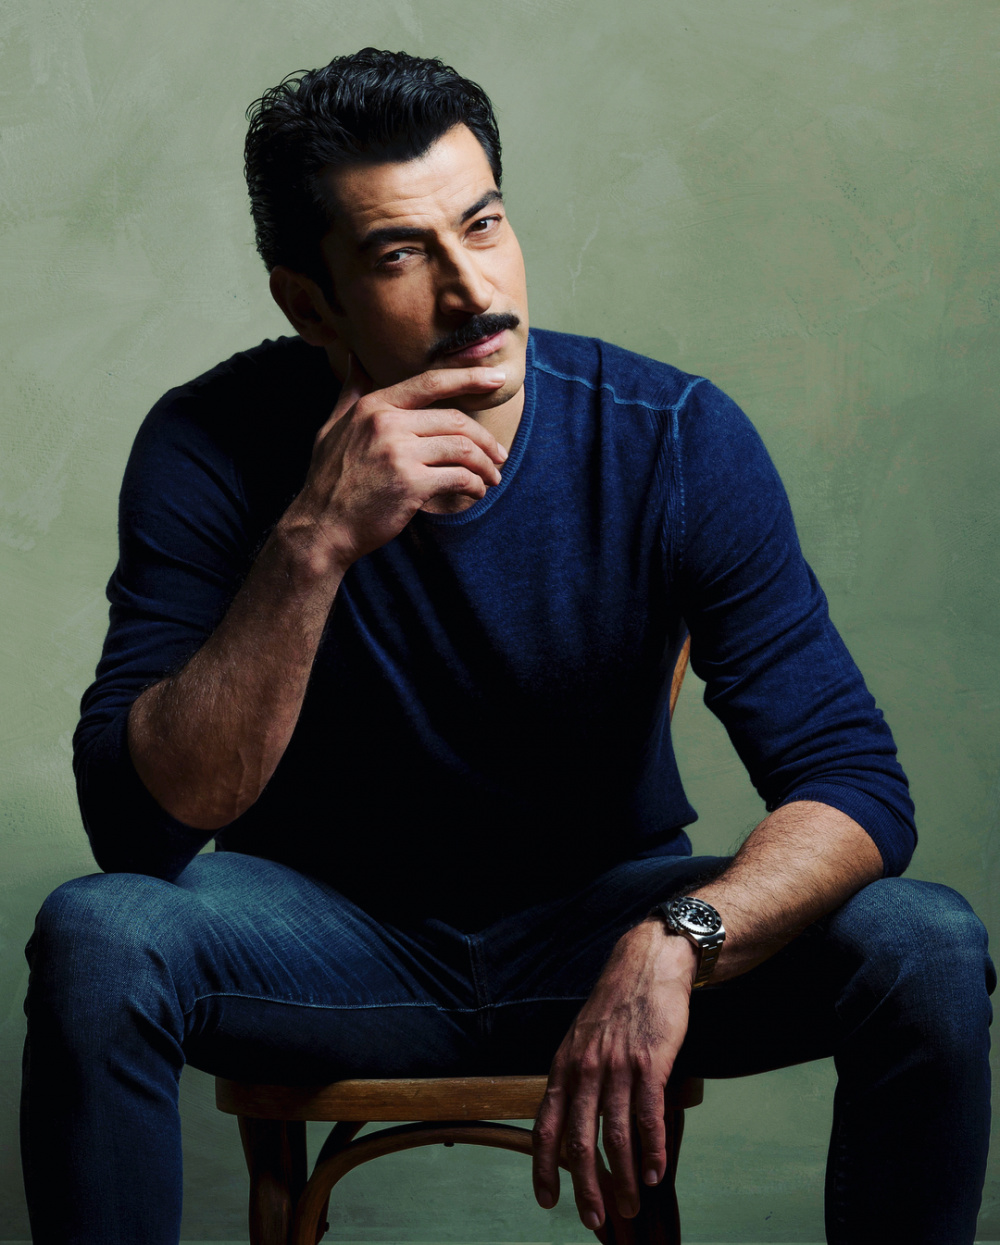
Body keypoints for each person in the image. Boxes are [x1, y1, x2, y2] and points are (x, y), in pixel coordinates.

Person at [21, 47, 993, 1245]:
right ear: (309, 304)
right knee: (101, 935)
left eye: (481, 225)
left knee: (925, 944)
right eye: (399, 255)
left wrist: (678, 938)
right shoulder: (209, 440)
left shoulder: (671, 437)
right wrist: (312, 543)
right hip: (321, 943)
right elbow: (140, 828)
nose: (471, 290)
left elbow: (853, 786)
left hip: (601, 927)